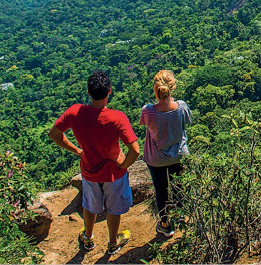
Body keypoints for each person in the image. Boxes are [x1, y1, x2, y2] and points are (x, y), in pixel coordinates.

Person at [48, 70, 140, 254]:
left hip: (89, 170)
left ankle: (88, 238)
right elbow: (135, 150)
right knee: (114, 209)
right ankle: (113, 242)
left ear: (88, 92)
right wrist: (123, 165)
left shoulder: (75, 112)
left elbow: (54, 134)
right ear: (109, 92)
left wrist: (76, 150)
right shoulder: (117, 118)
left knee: (90, 206)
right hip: (114, 173)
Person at [140, 70, 190, 237]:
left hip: (156, 158)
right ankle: (182, 216)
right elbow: (185, 123)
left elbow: (146, 125)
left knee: (161, 190)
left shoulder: (148, 111)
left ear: (156, 89)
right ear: (173, 87)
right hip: (178, 154)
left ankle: (165, 224)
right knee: (178, 186)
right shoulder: (182, 107)